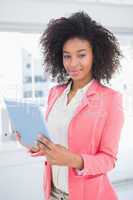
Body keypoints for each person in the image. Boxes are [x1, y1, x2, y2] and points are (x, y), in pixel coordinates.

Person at [18, 11, 124, 200]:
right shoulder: (55, 93)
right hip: (52, 193)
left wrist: (74, 160)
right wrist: (34, 144)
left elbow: (108, 160)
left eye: (81, 55)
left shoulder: (110, 99)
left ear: (95, 55)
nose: (72, 63)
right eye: (67, 56)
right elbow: (54, 143)